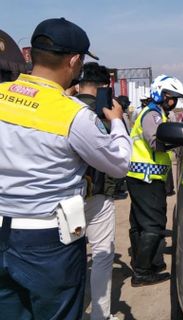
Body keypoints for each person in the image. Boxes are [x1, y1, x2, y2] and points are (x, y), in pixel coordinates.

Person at [0, 18, 131, 320]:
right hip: (48, 242)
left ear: (31, 54)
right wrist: (117, 123)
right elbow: (119, 164)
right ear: (74, 61)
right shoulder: (73, 115)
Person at [75, 62, 127, 320]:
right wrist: (117, 121)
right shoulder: (104, 114)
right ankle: (100, 315)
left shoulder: (65, 107)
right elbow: (119, 161)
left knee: (68, 257)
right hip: (96, 195)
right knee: (103, 254)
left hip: (64, 200)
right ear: (106, 86)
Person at [126, 74, 183, 287]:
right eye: (171, 98)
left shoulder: (156, 113)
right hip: (147, 178)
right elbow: (156, 142)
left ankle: (145, 262)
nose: (174, 102)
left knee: (140, 224)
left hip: (142, 177)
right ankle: (143, 272)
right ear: (161, 94)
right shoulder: (152, 114)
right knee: (153, 225)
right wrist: (180, 140)